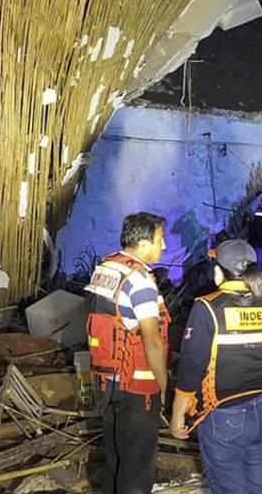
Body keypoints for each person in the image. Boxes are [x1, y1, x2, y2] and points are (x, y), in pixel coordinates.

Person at [171, 240, 262, 493]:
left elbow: (192, 365)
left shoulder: (206, 307)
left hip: (225, 416)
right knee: (256, 487)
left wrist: (177, 413)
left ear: (219, 270)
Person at [85, 212, 170, 494]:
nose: (165, 246)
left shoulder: (107, 268)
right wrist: (164, 386)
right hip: (136, 388)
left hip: (105, 380)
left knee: (116, 459)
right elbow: (152, 341)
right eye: (160, 240)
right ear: (143, 243)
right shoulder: (140, 279)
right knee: (137, 468)